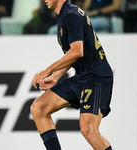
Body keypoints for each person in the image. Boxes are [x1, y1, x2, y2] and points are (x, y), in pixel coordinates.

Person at [31, 0, 113, 150]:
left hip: (96, 78)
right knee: (39, 108)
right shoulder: (65, 14)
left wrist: (47, 70)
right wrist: (56, 76)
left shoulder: (70, 15)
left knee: (89, 130)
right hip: (82, 76)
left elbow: (77, 50)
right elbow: (74, 55)